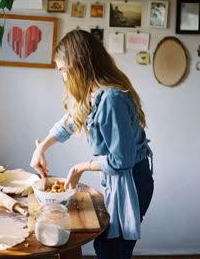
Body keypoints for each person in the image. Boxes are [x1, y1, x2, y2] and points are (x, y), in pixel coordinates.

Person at [30, 29, 154, 259]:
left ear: (77, 66)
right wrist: (41, 148)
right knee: (106, 244)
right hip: (121, 179)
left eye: (63, 71)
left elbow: (121, 160)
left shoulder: (111, 99)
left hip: (133, 181)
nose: (64, 78)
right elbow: (69, 121)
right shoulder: (93, 93)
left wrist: (80, 167)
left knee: (112, 249)